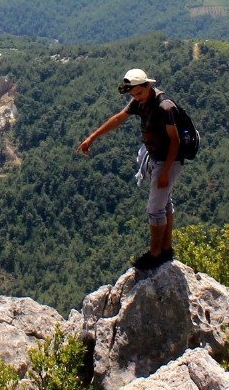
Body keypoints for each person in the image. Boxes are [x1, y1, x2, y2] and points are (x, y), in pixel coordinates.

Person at [78, 68, 182, 270]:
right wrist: (92, 138)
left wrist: (166, 171)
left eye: (139, 93)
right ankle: (166, 249)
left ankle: (155, 254)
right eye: (133, 95)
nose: (137, 98)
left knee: (154, 209)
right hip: (156, 157)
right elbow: (118, 118)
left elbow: (175, 142)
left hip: (169, 160)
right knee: (165, 203)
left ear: (147, 86)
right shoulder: (140, 102)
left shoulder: (164, 107)